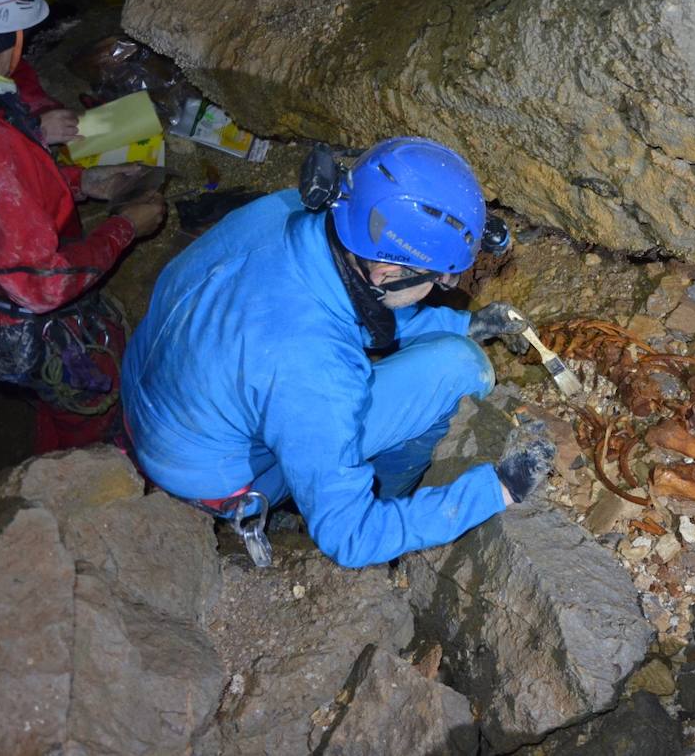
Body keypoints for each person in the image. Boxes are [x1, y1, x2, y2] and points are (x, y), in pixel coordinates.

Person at [121, 137, 554, 568]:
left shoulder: (289, 211)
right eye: (439, 280)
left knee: (451, 344)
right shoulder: (316, 371)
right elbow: (351, 538)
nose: (443, 289)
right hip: (217, 477)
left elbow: (348, 300)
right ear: (387, 271)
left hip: (161, 402)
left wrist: (467, 324)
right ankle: (383, 500)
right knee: (461, 367)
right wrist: (499, 489)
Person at [0, 0, 166, 453]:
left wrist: (83, 183)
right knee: (90, 389)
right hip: (18, 319)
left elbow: (11, 198)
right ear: (15, 37)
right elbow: (43, 284)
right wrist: (125, 227)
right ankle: (80, 465)